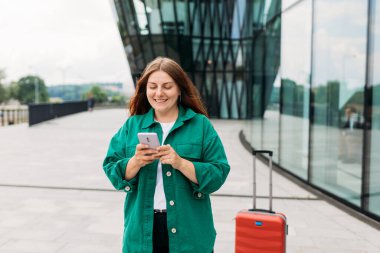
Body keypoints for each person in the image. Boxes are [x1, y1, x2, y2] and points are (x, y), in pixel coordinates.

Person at [103, 57, 230, 253]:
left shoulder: (201, 125)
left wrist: (181, 163)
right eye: (152, 86)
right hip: (142, 234)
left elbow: (218, 173)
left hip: (190, 235)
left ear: (179, 88)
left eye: (167, 86)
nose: (159, 93)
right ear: (145, 90)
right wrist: (135, 162)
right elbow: (112, 169)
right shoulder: (132, 126)